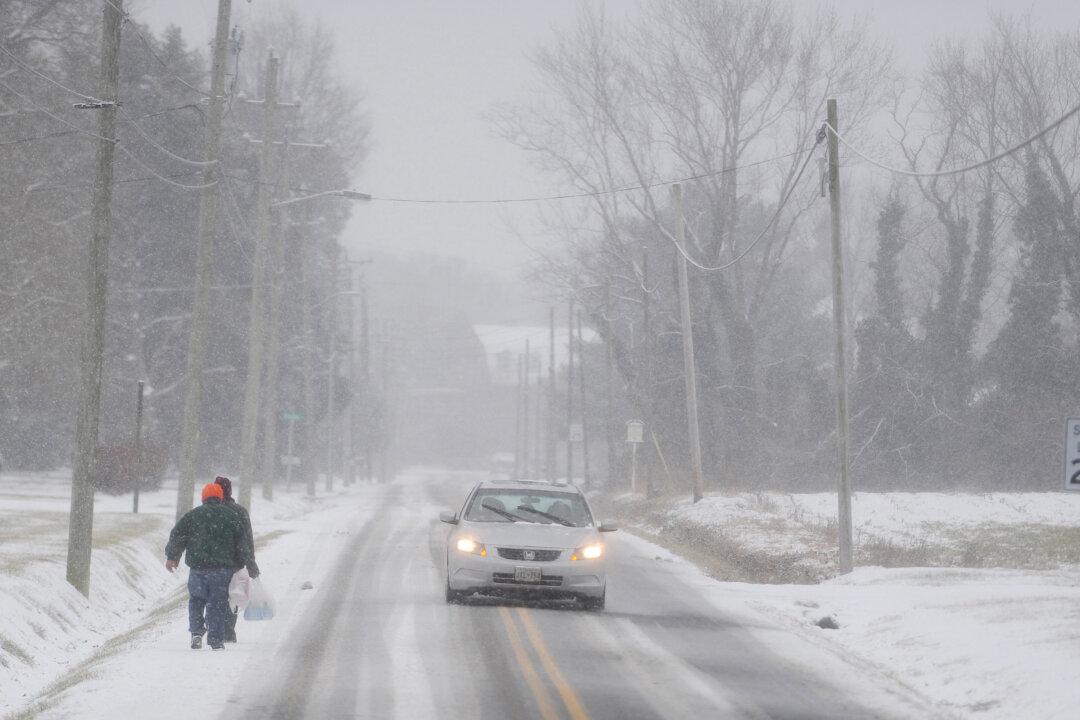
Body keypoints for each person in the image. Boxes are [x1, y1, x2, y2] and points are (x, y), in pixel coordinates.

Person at [165, 481, 252, 651]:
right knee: (217, 603)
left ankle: (196, 633)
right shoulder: (231, 517)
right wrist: (241, 563)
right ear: (220, 497)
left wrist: (172, 557)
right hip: (221, 570)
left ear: (203, 497)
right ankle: (215, 639)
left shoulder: (193, 516)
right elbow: (242, 543)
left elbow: (177, 535)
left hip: (198, 569)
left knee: (196, 600)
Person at [213, 475, 259, 643]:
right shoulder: (240, 511)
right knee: (233, 595)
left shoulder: (209, 511)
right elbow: (248, 540)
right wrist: (251, 564)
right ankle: (229, 631)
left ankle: (216, 629)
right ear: (230, 491)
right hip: (235, 562)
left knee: (216, 596)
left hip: (213, 561)